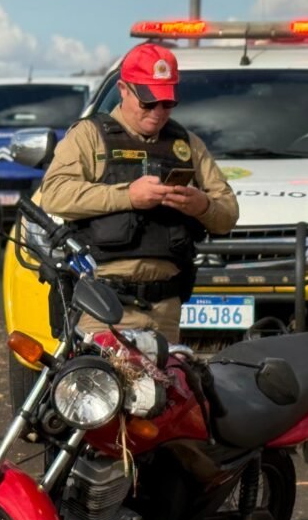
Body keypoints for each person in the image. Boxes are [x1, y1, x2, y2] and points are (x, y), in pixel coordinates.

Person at [37, 43, 239, 343]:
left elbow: (227, 214)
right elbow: (54, 195)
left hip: (165, 307)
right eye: (148, 102)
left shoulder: (187, 144)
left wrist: (201, 205)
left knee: (167, 388)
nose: (158, 112)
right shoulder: (90, 136)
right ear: (123, 89)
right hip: (106, 304)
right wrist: (128, 196)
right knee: (105, 387)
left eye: (167, 103)